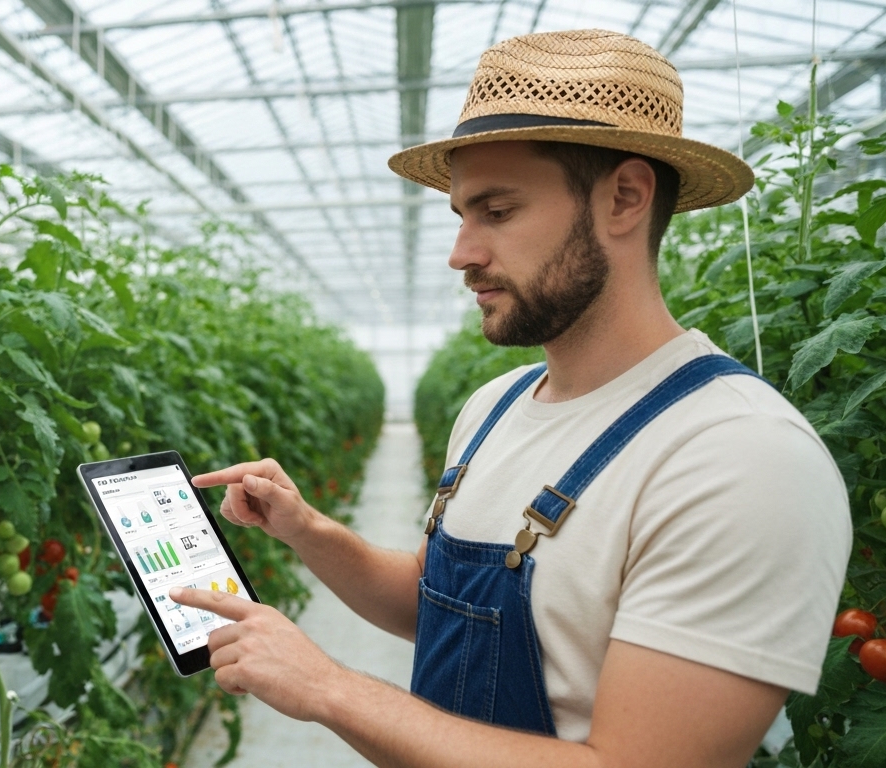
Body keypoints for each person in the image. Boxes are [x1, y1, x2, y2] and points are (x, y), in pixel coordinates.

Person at [169, 29, 851, 767]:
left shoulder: (739, 458)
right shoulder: (495, 407)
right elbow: (435, 606)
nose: (462, 252)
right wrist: (308, 531)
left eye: (496, 212)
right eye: (461, 215)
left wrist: (330, 689)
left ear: (626, 197)